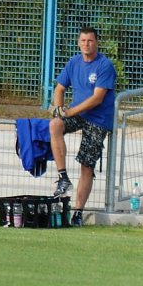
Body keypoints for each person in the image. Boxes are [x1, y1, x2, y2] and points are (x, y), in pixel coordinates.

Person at [49, 26, 117, 227]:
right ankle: (63, 177)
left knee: (86, 166)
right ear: (78, 43)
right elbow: (59, 88)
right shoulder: (73, 62)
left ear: (97, 43)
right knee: (55, 124)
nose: (86, 44)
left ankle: (77, 212)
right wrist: (60, 109)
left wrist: (70, 111)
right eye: (83, 41)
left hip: (98, 119)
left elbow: (97, 99)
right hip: (77, 113)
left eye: (90, 41)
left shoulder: (105, 65)